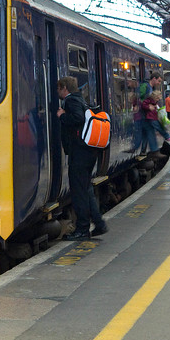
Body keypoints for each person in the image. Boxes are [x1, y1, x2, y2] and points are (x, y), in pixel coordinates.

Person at [57, 77, 108, 240]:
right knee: (85, 189)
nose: (57, 92)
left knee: (79, 192)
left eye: (58, 89)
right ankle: (99, 224)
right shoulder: (80, 99)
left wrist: (61, 116)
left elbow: (77, 118)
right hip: (88, 152)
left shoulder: (71, 101)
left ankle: (82, 229)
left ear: (64, 88)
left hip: (79, 152)